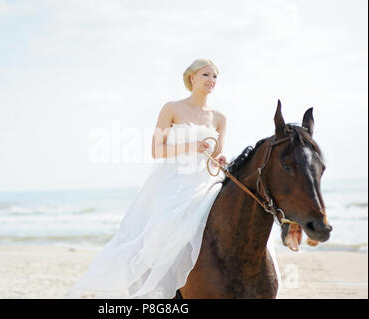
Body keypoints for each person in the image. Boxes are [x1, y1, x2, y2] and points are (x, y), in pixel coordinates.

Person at [68, 58, 278, 299]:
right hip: (174, 181)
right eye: (206, 75)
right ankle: (171, 288)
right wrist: (192, 146)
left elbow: (217, 152)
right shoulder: (172, 108)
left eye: (215, 76)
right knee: (167, 227)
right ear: (192, 78)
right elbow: (157, 150)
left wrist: (220, 159)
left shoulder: (220, 117)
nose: (212, 81)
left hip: (207, 181)